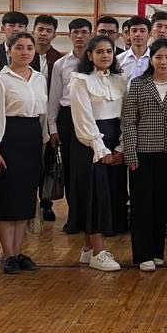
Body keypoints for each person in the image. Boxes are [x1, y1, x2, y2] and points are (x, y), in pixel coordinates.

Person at [0, 31, 47, 274]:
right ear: (9, 51)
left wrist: (44, 142)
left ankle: (18, 252)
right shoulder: (0, 80)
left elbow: (42, 116)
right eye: (19, 47)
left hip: (32, 140)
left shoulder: (39, 78)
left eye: (29, 47)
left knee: (25, 200)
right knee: (7, 198)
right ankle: (7, 254)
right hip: (8, 139)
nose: (25, 52)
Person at [122, 39, 167, 271]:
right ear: (151, 59)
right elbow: (129, 120)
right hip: (142, 153)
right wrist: (130, 153)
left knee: (161, 205)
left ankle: (157, 251)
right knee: (141, 206)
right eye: (159, 57)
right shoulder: (138, 83)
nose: (163, 62)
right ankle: (142, 254)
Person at [69, 35, 129, 272]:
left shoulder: (119, 80)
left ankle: (88, 249)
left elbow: (125, 116)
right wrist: (100, 148)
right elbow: (83, 118)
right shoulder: (80, 80)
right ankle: (98, 252)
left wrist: (121, 147)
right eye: (100, 51)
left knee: (110, 195)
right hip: (90, 145)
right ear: (90, 55)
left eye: (109, 51)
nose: (105, 55)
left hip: (114, 142)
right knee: (94, 196)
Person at [47, 18, 93, 234]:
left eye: (84, 32)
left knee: (88, 170)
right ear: (69, 35)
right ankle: (74, 217)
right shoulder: (61, 64)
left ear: (90, 34)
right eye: (75, 32)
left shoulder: (97, 60)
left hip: (91, 117)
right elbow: (54, 96)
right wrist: (53, 127)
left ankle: (91, 217)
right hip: (67, 118)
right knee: (70, 170)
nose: (79, 36)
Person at [33, 13, 63, 222]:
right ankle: (28, 202)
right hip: (28, 115)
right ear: (33, 30)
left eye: (48, 30)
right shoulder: (24, 54)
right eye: (40, 29)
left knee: (48, 162)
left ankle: (46, 203)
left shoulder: (58, 59)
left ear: (54, 34)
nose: (43, 34)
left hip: (49, 115)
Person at [0, 11, 34, 84]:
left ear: (25, 30)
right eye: (11, 25)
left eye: (20, 26)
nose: (16, 29)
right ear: (3, 28)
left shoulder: (32, 54)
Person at [117, 15, 152, 81]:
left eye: (142, 31)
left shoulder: (155, 59)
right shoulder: (119, 60)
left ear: (149, 34)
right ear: (129, 34)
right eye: (134, 31)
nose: (137, 34)